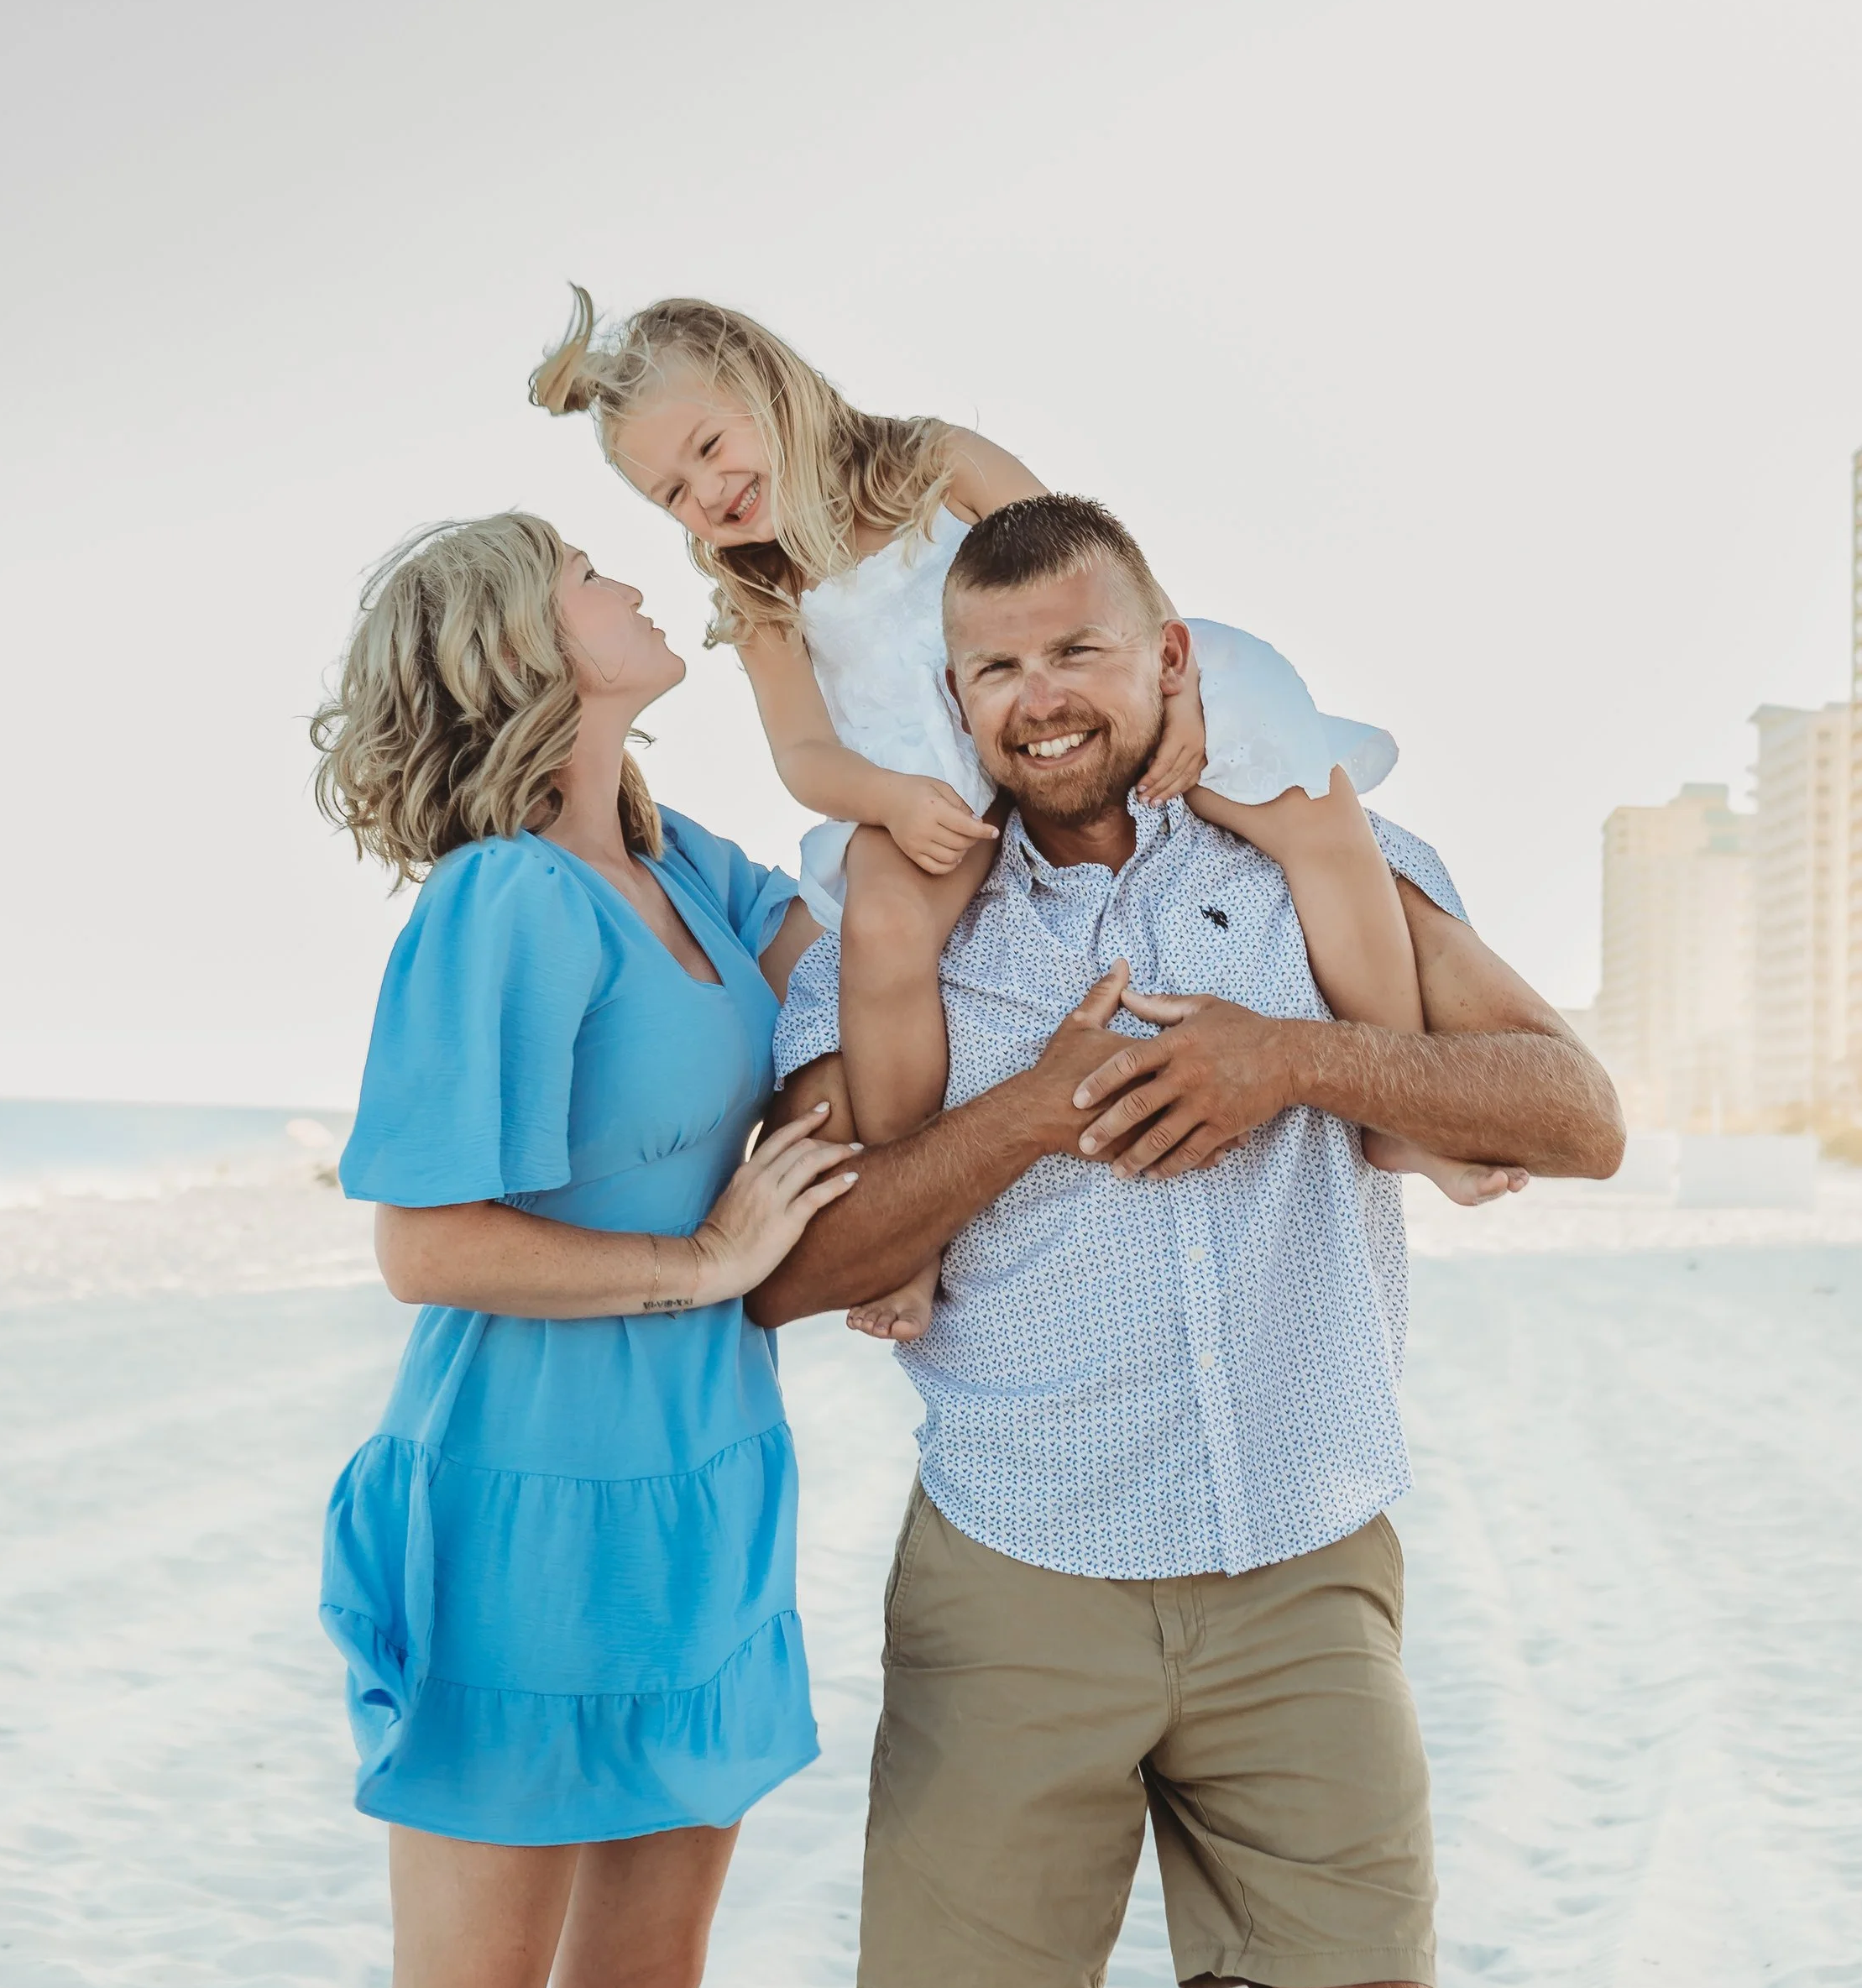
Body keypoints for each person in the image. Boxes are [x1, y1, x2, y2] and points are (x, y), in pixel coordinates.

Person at [750, 495, 1626, 1988]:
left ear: (1165, 654)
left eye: (1077, 649)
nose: (1041, 697)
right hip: (1017, 1560)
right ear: (954, 703)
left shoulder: (1322, 846)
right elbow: (790, 1268)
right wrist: (1030, 1113)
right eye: (995, 669)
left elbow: (1580, 1117)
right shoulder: (896, 923)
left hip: (1301, 1552)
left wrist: (1282, 1058)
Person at [528, 292, 1519, 1344]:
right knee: (882, 928)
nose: (706, 494)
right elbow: (804, 756)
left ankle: (1401, 1105)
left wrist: (1176, 701)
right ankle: (916, 1239)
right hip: (929, 772)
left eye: (710, 448)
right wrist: (888, 800)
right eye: (669, 492)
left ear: (772, 386)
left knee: (1307, 794)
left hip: (1082, 695)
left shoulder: (931, 462)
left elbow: (1100, 579)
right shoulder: (759, 589)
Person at [308, 513, 859, 1988]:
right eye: (580, 572)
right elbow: (428, 1246)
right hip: (524, 1502)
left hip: (706, 1490)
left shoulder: (689, 864)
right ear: (524, 645)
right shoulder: (504, 900)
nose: (623, 575)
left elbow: (867, 960)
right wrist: (708, 1259)